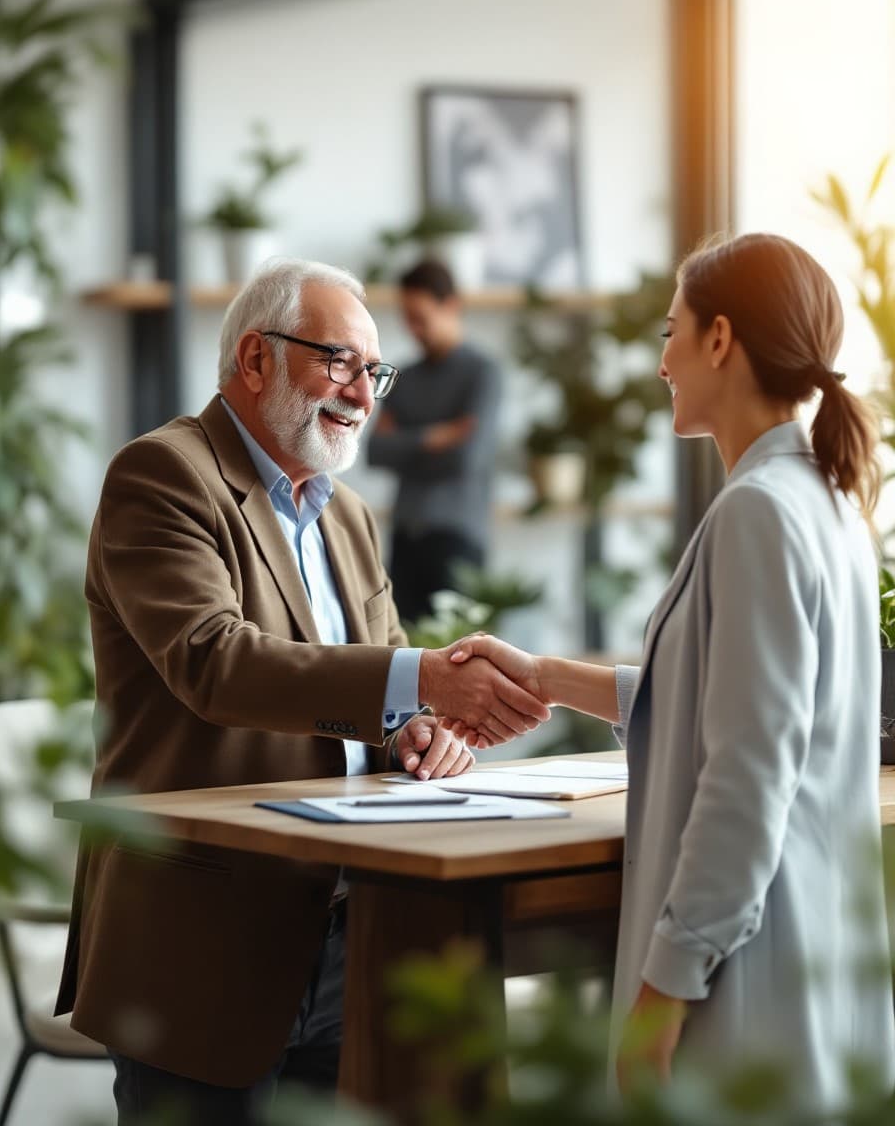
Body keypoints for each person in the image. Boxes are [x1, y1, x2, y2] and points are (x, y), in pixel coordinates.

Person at [55, 260, 549, 1126]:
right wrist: (423, 679)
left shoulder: (348, 514)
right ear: (256, 358)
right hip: (204, 937)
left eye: (375, 371)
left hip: (355, 931)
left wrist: (424, 731)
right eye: (341, 361)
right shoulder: (163, 475)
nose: (364, 393)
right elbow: (215, 661)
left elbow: (389, 681)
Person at [449, 234, 895, 1111]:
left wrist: (667, 986)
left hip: (747, 970)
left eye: (671, 331)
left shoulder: (758, 513)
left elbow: (747, 772)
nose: (662, 362)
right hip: (800, 953)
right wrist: (540, 674)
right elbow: (716, 701)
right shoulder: (827, 499)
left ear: (720, 339)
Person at [366, 258, 501, 623]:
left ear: (451, 305)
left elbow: (466, 458)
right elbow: (375, 451)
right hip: (405, 536)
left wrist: (406, 444)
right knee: (404, 653)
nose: (413, 328)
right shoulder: (404, 377)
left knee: (459, 656)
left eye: (420, 316)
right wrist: (435, 436)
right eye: (406, 317)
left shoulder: (482, 373)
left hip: (458, 537)